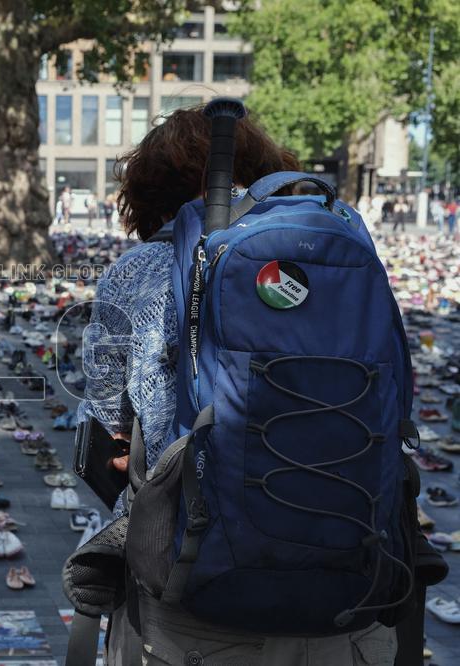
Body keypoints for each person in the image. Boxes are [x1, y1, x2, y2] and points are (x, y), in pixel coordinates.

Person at [80, 107, 401, 665]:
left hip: (195, 600)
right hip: (355, 590)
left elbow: (108, 432)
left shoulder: (139, 270)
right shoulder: (340, 259)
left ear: (149, 190)